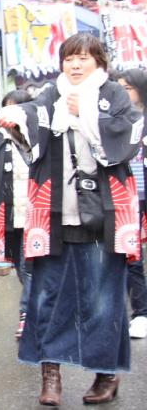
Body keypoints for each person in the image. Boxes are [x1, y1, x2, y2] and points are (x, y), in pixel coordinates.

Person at [0, 33, 141, 406]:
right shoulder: (51, 95)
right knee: (46, 298)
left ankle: (105, 374)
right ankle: (51, 374)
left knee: (102, 300)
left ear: (100, 62)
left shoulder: (114, 95)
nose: (75, 65)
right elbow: (32, 119)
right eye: (69, 58)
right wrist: (15, 120)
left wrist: (86, 115)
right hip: (54, 216)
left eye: (83, 58)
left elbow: (123, 140)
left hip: (103, 217)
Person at [0, 89, 33, 339]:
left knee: (29, 265)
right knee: (22, 268)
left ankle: (28, 315)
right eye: (6, 109)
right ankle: (36, 311)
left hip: (39, 217)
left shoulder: (38, 136)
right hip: (12, 216)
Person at [115, 68, 147, 338]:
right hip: (128, 197)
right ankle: (141, 312)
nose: (123, 92)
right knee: (131, 256)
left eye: (127, 87)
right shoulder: (117, 119)